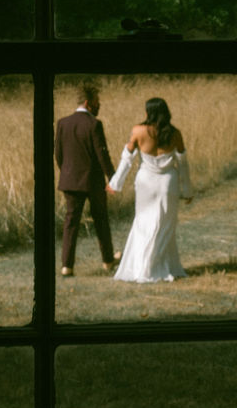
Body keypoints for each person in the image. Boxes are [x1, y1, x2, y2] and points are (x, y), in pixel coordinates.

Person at [108, 96, 192, 283]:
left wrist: (115, 183)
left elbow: (126, 159)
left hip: (145, 181)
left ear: (149, 112)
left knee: (143, 223)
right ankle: (158, 265)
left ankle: (142, 266)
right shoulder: (175, 133)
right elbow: (183, 163)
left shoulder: (138, 131)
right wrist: (187, 190)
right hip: (167, 183)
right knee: (165, 225)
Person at [54, 79, 119, 277]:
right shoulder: (94, 124)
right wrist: (113, 178)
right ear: (89, 103)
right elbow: (102, 155)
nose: (99, 105)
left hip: (70, 180)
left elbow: (58, 154)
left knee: (70, 223)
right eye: (97, 101)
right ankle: (108, 261)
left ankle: (67, 266)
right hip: (92, 181)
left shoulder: (63, 123)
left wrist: (67, 171)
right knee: (101, 220)